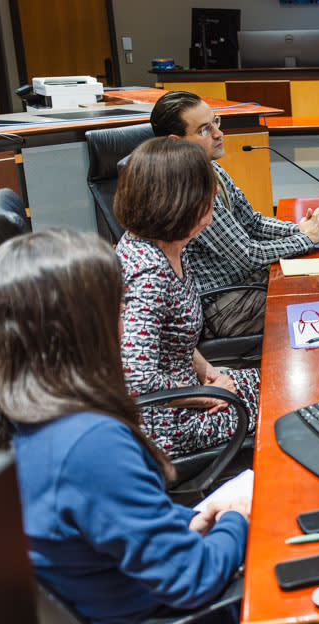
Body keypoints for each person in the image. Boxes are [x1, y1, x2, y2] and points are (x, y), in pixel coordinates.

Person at [0, 229, 257, 624]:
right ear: (83, 326)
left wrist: (199, 516)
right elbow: (192, 578)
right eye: (117, 306)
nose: (125, 319)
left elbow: (115, 526)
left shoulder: (8, 414)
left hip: (120, 610)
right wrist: (240, 516)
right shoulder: (89, 443)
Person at [115, 136, 260, 458]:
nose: (216, 199)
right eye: (210, 195)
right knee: (287, 399)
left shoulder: (170, 244)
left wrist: (208, 371)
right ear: (184, 202)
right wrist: (204, 394)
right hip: (169, 423)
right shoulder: (149, 276)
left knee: (281, 377)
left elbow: (172, 338)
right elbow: (136, 381)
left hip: (188, 390)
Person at [150, 90, 319, 338]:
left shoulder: (211, 168)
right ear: (176, 141)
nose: (218, 133)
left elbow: (252, 223)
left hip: (245, 283)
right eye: (204, 130)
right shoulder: (187, 188)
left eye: (216, 122)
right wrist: (307, 238)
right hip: (226, 306)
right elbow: (249, 255)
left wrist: (301, 229)